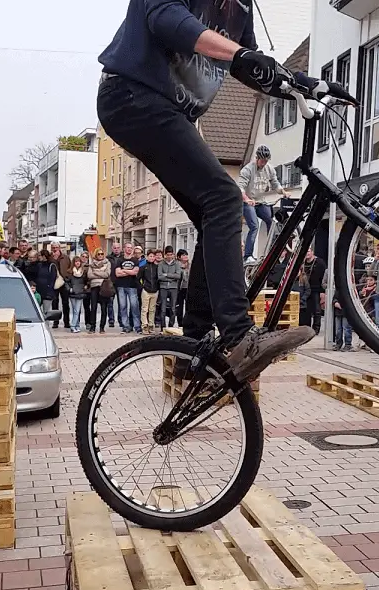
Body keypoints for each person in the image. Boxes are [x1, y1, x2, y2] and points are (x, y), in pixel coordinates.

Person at [98, 1, 329, 380]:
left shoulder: (240, 8)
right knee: (224, 198)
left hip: (168, 112)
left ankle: (195, 350)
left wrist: (307, 84)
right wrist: (238, 53)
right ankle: (239, 335)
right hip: (132, 95)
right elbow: (166, 20)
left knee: (214, 214)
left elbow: (250, 64)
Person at [237, 146, 287, 261]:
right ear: (257, 158)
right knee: (254, 226)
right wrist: (246, 199)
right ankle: (248, 255)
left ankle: (272, 249)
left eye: (266, 161)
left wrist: (283, 192)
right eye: (262, 161)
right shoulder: (247, 170)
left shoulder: (269, 169)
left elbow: (275, 183)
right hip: (248, 202)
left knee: (271, 221)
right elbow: (240, 188)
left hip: (261, 202)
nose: (264, 163)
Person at [113, 242, 141, 333]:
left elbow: (135, 272)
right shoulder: (119, 260)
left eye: (130, 248)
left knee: (134, 307)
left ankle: (137, 326)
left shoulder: (135, 260)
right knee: (123, 307)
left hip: (132, 286)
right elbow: (117, 273)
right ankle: (125, 326)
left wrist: (123, 270)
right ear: (124, 249)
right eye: (127, 247)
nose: (129, 249)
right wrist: (130, 271)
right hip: (121, 286)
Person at [299, 249, 326, 333]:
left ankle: (316, 329)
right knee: (306, 310)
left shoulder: (320, 263)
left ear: (312, 252)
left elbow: (324, 277)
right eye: (306, 251)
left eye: (308, 251)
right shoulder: (303, 263)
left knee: (317, 310)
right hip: (305, 289)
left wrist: (322, 291)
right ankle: (307, 328)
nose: (307, 253)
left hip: (316, 289)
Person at [87, 248, 113, 334]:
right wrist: (101, 273)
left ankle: (102, 327)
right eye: (99, 254)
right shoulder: (91, 264)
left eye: (102, 254)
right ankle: (92, 327)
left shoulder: (107, 263)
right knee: (93, 307)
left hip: (104, 287)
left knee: (104, 308)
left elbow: (107, 274)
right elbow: (89, 275)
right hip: (94, 287)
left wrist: (95, 272)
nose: (100, 255)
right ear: (96, 255)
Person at [158, 245, 183, 329]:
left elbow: (178, 276)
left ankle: (171, 326)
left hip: (173, 288)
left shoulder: (177, 264)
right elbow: (160, 276)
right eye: (167, 255)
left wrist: (167, 275)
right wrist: (171, 277)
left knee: (173, 308)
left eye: (171, 254)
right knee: (163, 308)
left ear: (173, 254)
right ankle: (163, 327)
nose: (169, 257)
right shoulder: (161, 264)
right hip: (163, 287)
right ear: (165, 255)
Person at [139, 248, 162, 334]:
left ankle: (151, 325)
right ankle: (144, 326)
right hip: (146, 290)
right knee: (144, 309)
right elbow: (138, 279)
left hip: (155, 291)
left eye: (153, 256)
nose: (152, 258)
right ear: (147, 257)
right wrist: (142, 287)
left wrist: (157, 288)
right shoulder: (143, 267)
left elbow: (158, 279)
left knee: (152, 309)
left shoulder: (157, 267)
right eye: (150, 256)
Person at [51, 243, 74, 329]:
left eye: (56, 247)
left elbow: (70, 267)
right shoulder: (50, 257)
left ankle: (66, 322)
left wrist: (68, 277)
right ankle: (55, 322)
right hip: (54, 282)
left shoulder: (65, 257)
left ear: (59, 248)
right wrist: (54, 259)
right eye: (53, 247)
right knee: (55, 303)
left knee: (65, 303)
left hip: (64, 282)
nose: (55, 249)